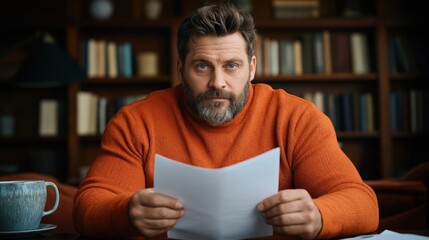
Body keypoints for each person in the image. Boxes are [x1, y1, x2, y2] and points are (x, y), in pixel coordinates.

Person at [73, 3, 379, 239]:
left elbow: (364, 204)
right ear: (181, 68)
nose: (217, 82)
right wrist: (126, 211)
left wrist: (319, 215)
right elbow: (87, 207)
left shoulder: (297, 118)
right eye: (202, 66)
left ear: (252, 68)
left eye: (231, 66)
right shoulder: (136, 122)